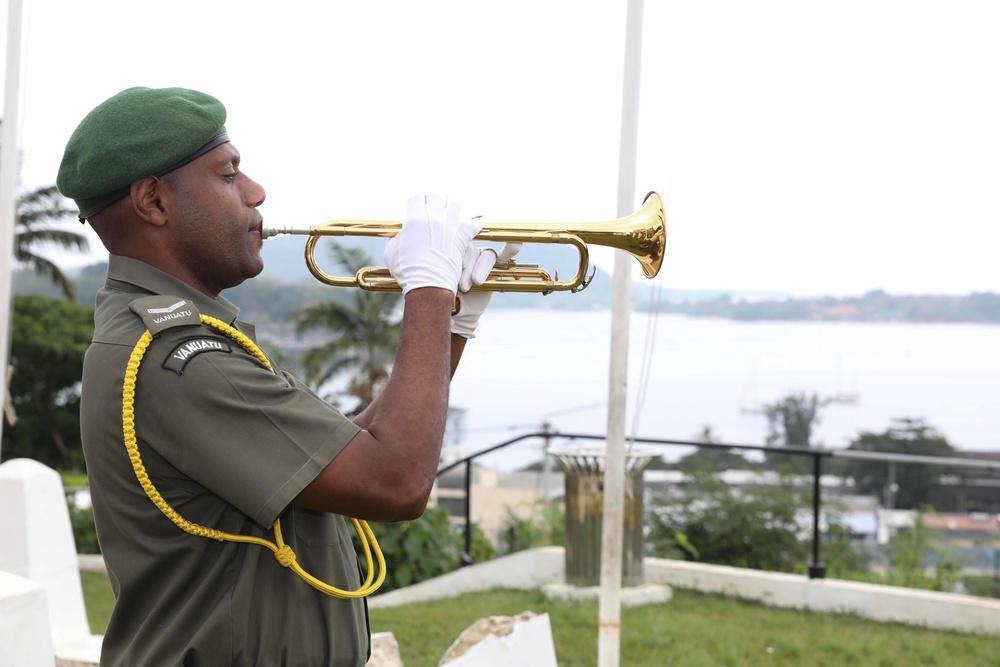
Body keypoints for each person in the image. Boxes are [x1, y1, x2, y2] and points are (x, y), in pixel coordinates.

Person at [56, 86, 511, 667]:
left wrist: (455, 319)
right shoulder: (181, 359)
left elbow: (345, 458)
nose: (255, 191)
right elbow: (394, 481)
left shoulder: (178, 340)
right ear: (154, 201)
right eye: (228, 174)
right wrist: (428, 288)